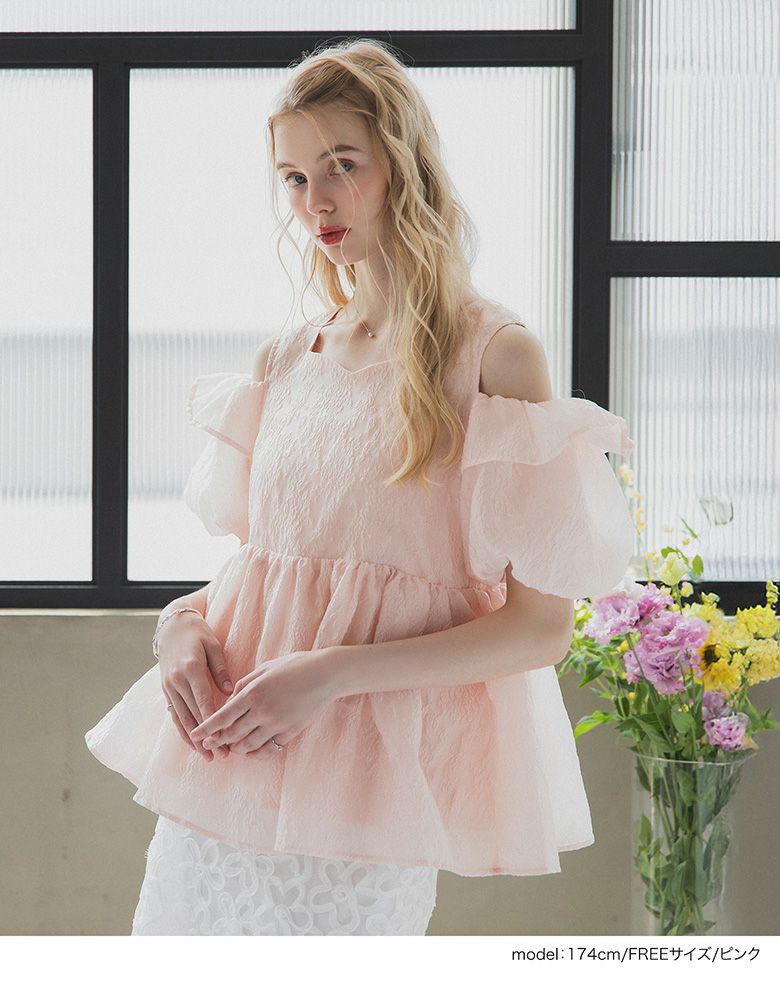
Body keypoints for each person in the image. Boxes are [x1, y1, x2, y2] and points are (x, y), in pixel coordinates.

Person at [84, 38, 636, 936]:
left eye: (342, 164)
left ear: (404, 165)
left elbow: (540, 628)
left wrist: (332, 675)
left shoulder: (494, 357)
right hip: (223, 782)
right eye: (295, 177)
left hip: (371, 800)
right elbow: (271, 575)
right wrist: (178, 624)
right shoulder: (286, 360)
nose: (317, 201)